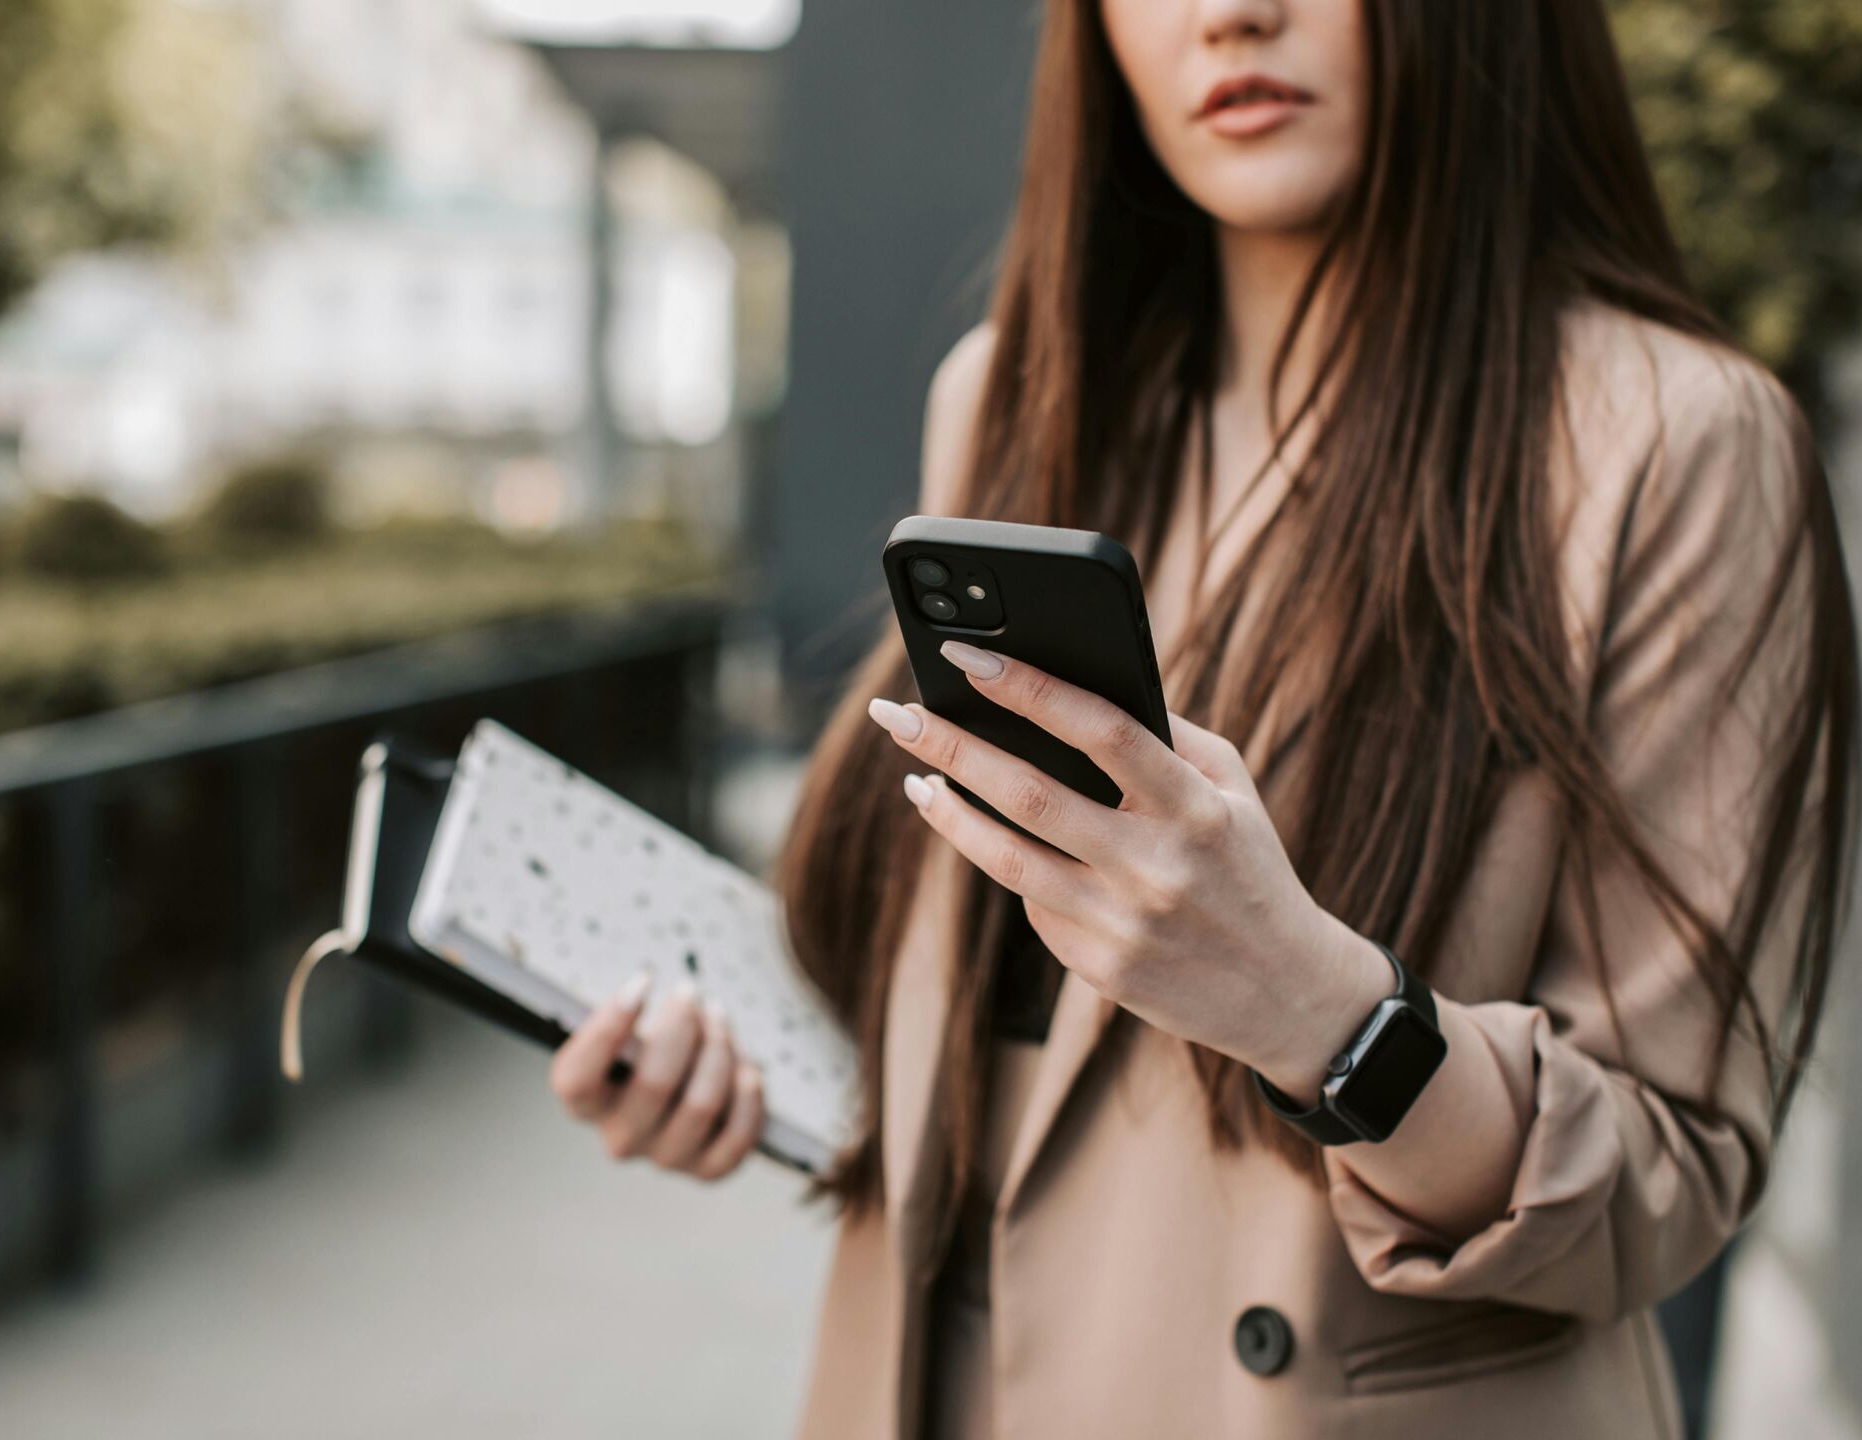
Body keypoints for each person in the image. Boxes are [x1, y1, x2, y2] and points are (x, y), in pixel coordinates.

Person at [548, 1, 1859, 1435]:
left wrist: (1318, 1007)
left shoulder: (1669, 443)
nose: (1232, 14)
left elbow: (1666, 1183)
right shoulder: (1013, 397)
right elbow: (996, 1029)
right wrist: (738, 1070)